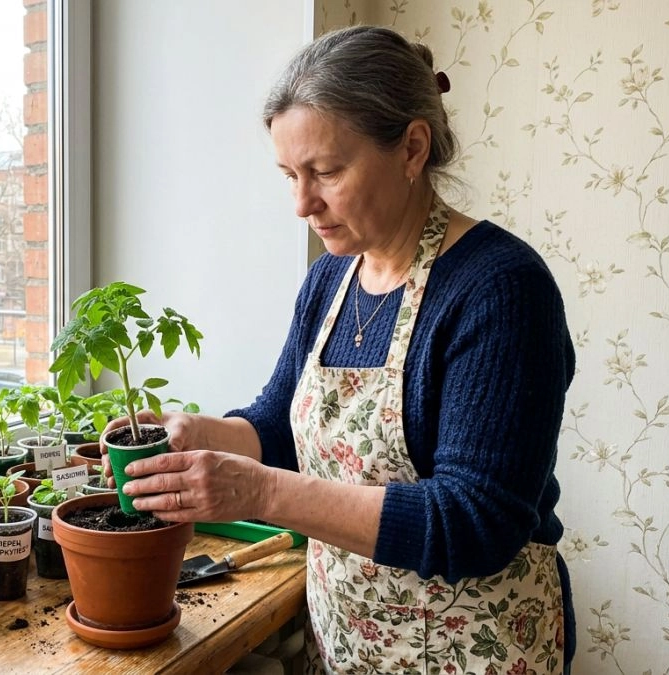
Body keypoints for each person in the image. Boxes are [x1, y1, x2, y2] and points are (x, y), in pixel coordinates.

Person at [105, 25, 576, 675]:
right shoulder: (331, 278)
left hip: (479, 648)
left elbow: (476, 521)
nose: (302, 203)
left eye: (325, 171)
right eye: (290, 175)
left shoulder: (500, 289)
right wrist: (198, 435)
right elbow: (278, 424)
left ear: (412, 147)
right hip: (352, 641)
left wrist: (260, 493)